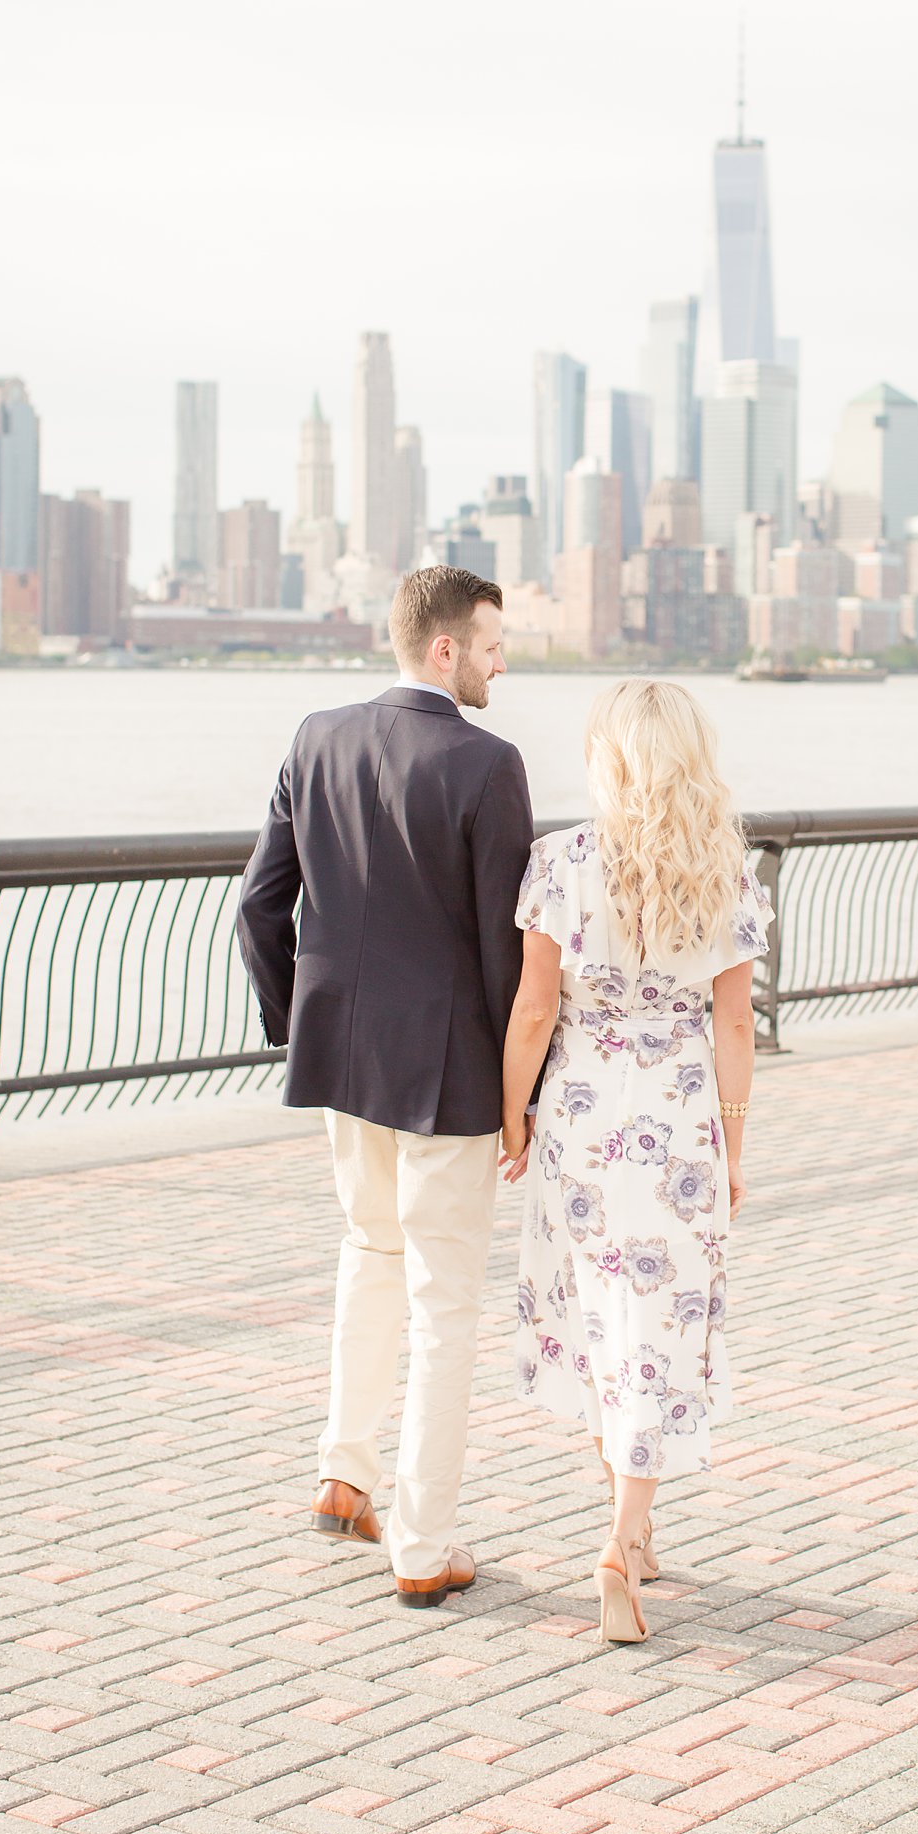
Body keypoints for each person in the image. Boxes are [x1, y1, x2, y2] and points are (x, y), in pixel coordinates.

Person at [236, 565, 535, 1609]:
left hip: (342, 1062)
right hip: (447, 1067)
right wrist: (519, 1090)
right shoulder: (485, 763)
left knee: (369, 1252)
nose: (505, 659)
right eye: (493, 641)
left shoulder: (314, 737)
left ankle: (342, 1472)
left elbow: (256, 909)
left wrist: (302, 1024)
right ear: (444, 649)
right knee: (444, 1301)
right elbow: (506, 953)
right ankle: (422, 1543)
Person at [499, 679, 772, 1644]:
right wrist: (732, 1147)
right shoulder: (725, 872)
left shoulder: (560, 861)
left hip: (580, 1116)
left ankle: (632, 1524)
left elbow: (534, 1010)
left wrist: (513, 1118)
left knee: (601, 1313)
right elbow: (733, 1022)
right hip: (678, 1121)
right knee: (657, 1321)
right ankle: (626, 1536)